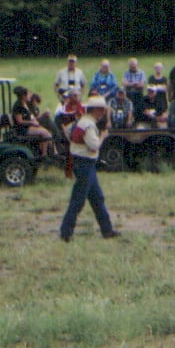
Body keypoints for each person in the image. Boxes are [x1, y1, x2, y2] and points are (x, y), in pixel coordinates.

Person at [58, 96, 118, 242]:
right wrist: (103, 136)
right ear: (97, 110)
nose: (104, 112)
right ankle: (66, 232)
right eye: (102, 109)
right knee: (79, 200)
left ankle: (107, 230)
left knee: (97, 199)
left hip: (82, 163)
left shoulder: (82, 121)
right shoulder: (89, 125)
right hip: (85, 164)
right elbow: (94, 146)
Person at [11, 87, 54, 156]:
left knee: (47, 132)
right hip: (22, 129)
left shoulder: (25, 104)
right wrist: (31, 122)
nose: (30, 96)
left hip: (29, 127)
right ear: (23, 96)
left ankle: (48, 153)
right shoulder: (18, 106)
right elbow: (19, 121)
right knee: (44, 133)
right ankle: (47, 154)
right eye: (28, 95)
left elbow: (31, 116)